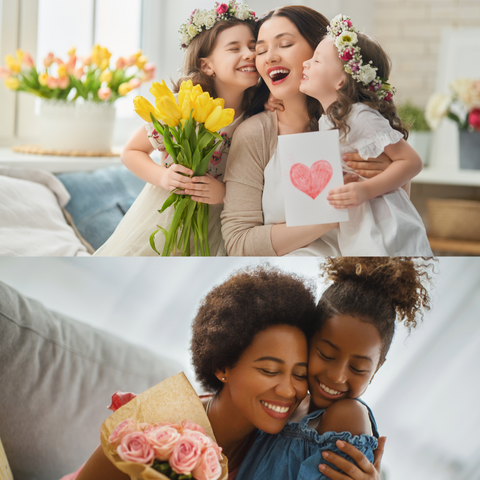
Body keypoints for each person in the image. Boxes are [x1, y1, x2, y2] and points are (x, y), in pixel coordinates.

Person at [68, 265, 384, 480]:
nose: (289, 391)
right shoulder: (159, 425)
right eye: (270, 370)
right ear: (223, 366)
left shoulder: (277, 442)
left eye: (299, 374)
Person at [220, 6, 404, 256]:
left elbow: (400, 213)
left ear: (320, 51)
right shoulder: (255, 134)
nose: (269, 57)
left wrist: (391, 179)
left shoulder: (360, 123)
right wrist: (328, 217)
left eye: (284, 44)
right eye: (261, 50)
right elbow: (239, 244)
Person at [236, 256, 433, 480]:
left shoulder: (348, 416)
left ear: (376, 369)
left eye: (358, 368)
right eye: (326, 355)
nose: (337, 376)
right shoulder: (287, 403)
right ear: (309, 339)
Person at [94, 1, 258, 256]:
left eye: (253, 46)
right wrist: (164, 177)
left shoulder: (258, 118)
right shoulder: (183, 107)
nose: (249, 54)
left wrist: (226, 194)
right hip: (166, 215)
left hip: (219, 225)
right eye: (234, 48)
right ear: (207, 66)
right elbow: (131, 151)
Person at [300, 15, 432, 255]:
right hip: (358, 226)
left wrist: (366, 190)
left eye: (317, 60)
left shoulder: (359, 116)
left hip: (387, 225)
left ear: (342, 80)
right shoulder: (326, 120)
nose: (305, 63)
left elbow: (412, 162)